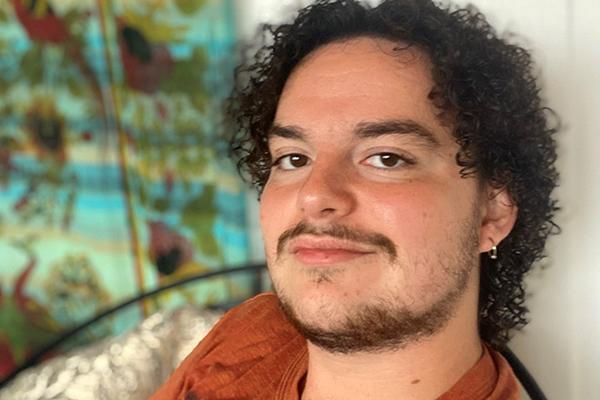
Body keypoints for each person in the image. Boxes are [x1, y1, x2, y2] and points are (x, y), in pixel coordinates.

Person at [151, 0, 559, 398]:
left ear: (493, 212)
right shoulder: (254, 331)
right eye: (294, 158)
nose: (314, 194)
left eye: (387, 158)